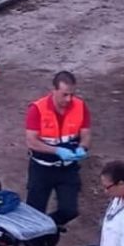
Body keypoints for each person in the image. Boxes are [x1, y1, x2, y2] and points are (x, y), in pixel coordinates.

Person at [24, 71, 92, 227]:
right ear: (53, 90)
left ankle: (46, 228)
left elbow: (86, 135)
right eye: (64, 95)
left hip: (67, 170)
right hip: (41, 169)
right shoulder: (37, 109)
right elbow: (31, 142)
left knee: (69, 210)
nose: (69, 99)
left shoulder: (80, 107)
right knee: (34, 212)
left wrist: (82, 147)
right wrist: (57, 151)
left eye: (72, 94)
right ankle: (34, 240)